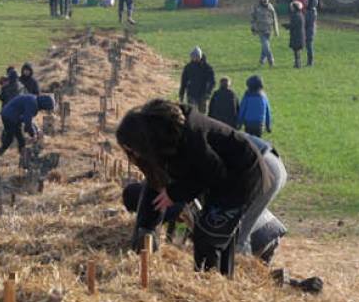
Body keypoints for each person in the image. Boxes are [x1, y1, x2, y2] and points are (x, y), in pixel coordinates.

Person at [115, 98, 275, 276]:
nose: (133, 154)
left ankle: (211, 284)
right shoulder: (163, 139)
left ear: (142, 139)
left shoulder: (192, 137)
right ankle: (220, 279)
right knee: (212, 233)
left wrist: (175, 193)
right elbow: (155, 185)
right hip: (222, 179)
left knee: (208, 236)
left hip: (242, 175)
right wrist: (146, 228)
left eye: (132, 148)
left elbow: (214, 172)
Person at [123, 178, 287, 263]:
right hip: (270, 229)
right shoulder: (171, 185)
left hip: (254, 238)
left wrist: (174, 247)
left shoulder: (162, 201)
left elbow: (180, 222)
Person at [178, 47, 216, 113]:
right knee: (192, 113)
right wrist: (181, 94)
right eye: (192, 57)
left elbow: (212, 82)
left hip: (203, 95)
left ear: (199, 56)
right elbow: (183, 82)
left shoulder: (207, 68)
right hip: (191, 95)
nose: (193, 58)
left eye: (195, 57)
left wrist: (208, 93)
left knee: (202, 115)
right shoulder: (188, 67)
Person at [251, 0, 278, 67]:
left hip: (269, 30)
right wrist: (253, 28)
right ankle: (271, 61)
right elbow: (253, 18)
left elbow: (274, 18)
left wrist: (276, 30)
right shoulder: (256, 7)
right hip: (261, 30)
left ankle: (261, 61)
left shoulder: (270, 7)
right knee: (266, 46)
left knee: (265, 47)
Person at [287, 0, 306, 69]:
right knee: (297, 51)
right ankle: (297, 63)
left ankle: (298, 64)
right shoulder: (300, 14)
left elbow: (293, 25)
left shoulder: (296, 15)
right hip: (298, 35)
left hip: (297, 36)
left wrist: (287, 26)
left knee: (296, 51)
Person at [302, 0, 319, 65]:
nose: (306, 2)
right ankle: (310, 61)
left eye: (308, 1)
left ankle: (310, 62)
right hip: (309, 31)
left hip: (310, 31)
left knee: (309, 47)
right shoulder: (310, 10)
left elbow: (307, 21)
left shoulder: (312, 11)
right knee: (308, 46)